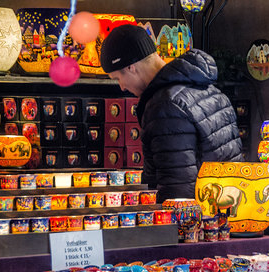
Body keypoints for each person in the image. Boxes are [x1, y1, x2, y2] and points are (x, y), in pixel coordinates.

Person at [100, 24, 243, 203]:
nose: (122, 87)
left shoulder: (164, 105)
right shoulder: (208, 88)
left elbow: (176, 187)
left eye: (118, 79)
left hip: (193, 222)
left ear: (131, 67)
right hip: (228, 211)